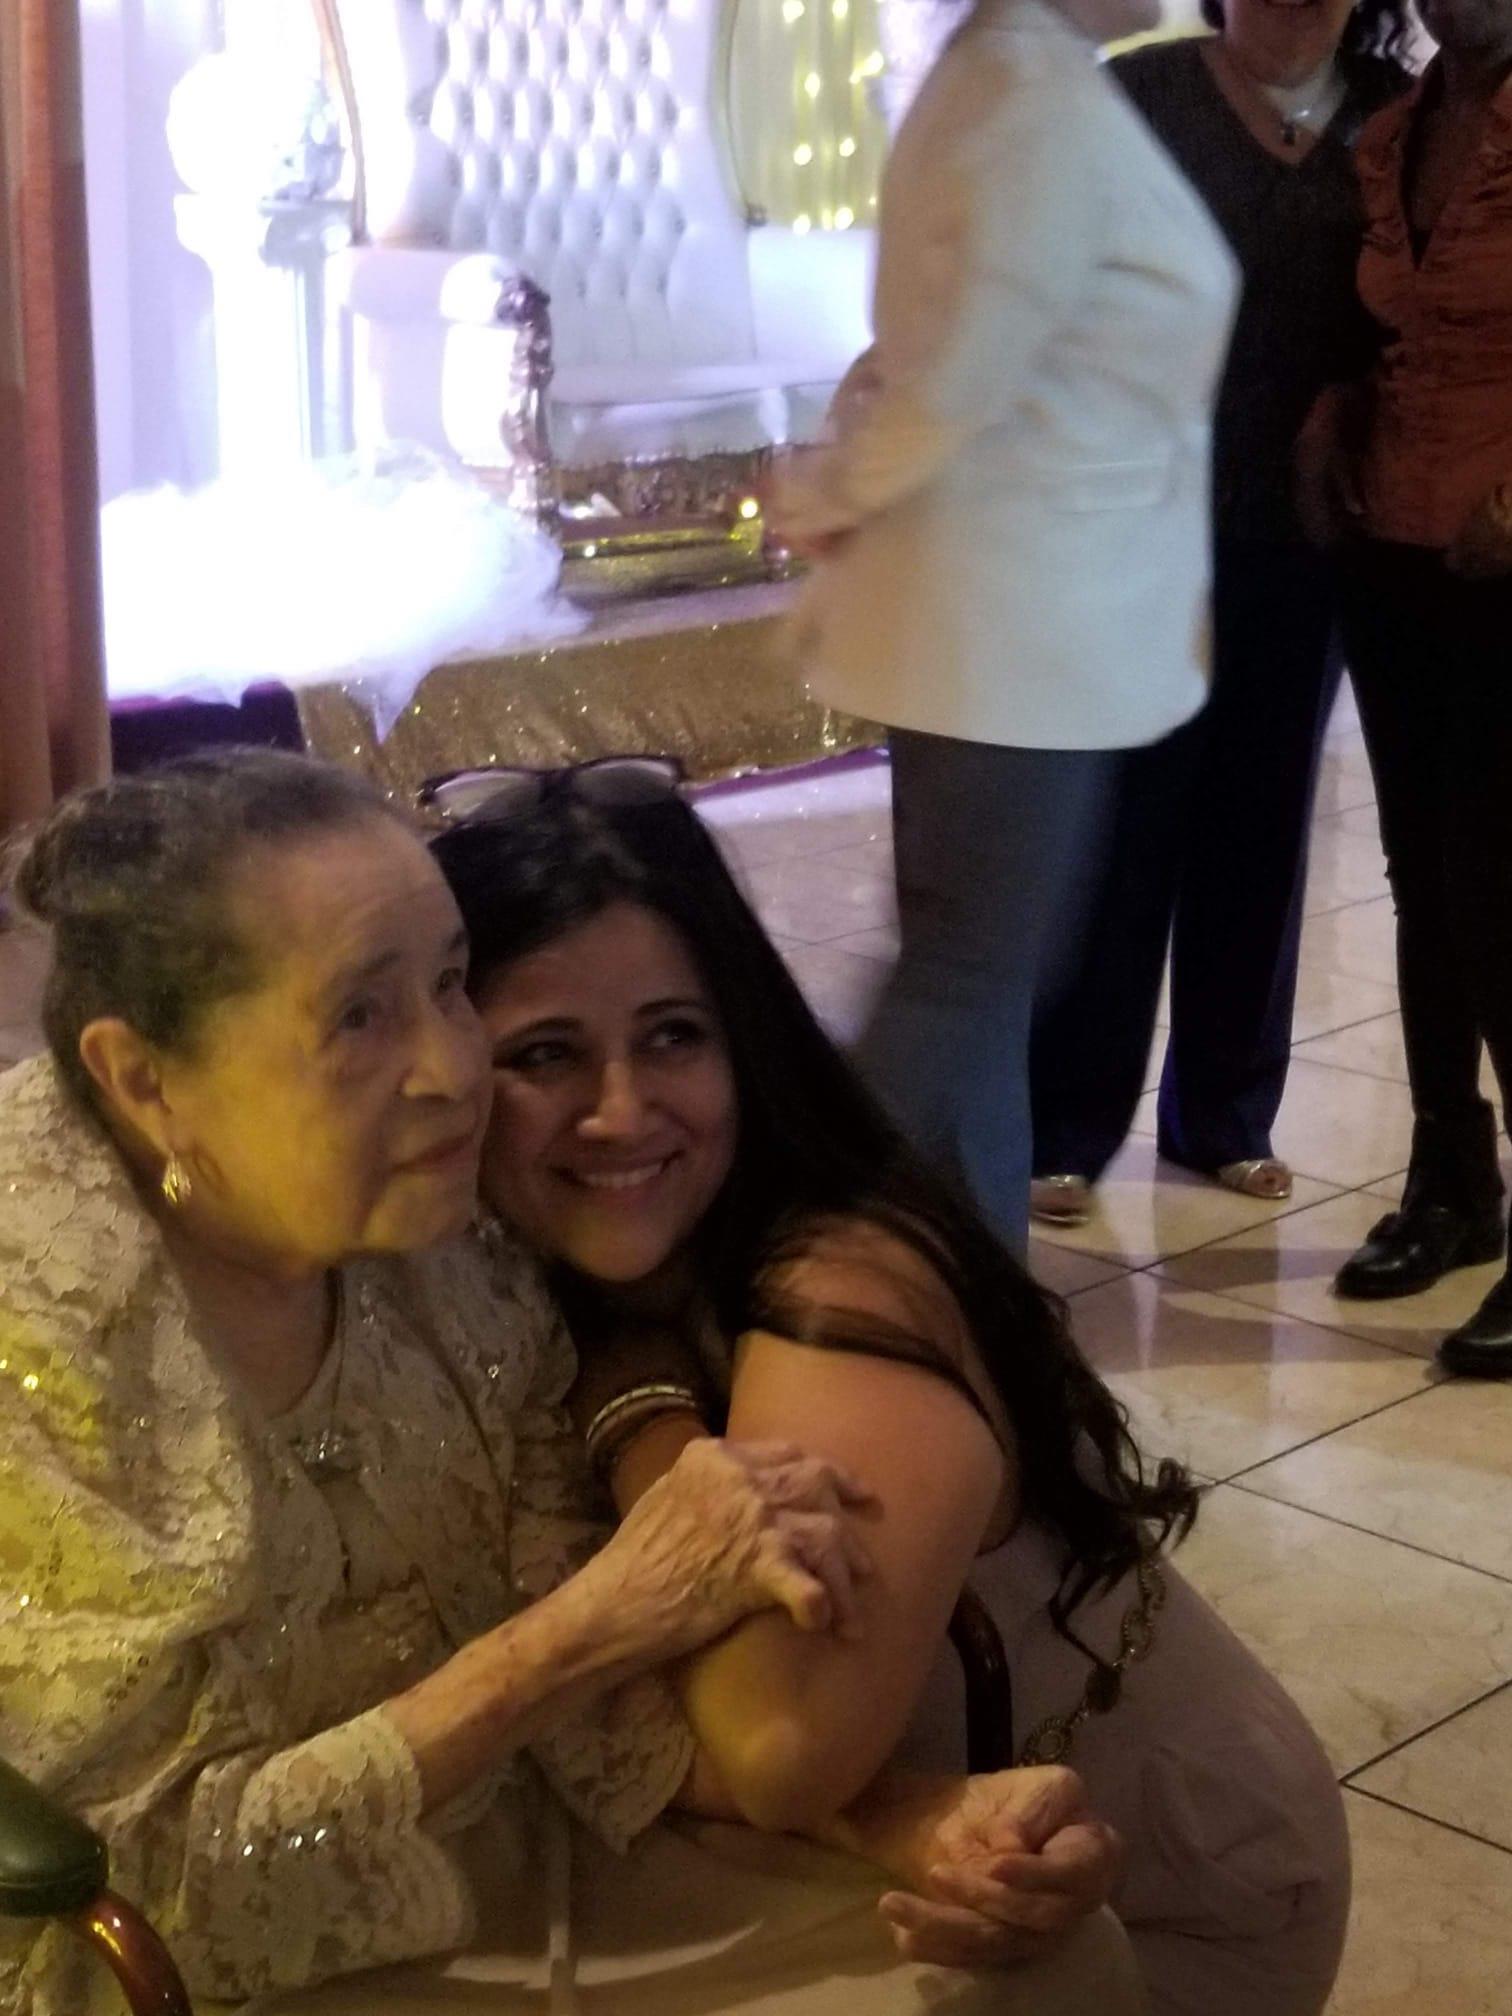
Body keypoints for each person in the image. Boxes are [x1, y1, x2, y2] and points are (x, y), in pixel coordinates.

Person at [0, 752, 1138, 2016]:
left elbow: (555, 1603)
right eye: (362, 1018)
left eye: (447, 984)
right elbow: (148, 1881)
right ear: (145, 1080)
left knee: (1050, 1972)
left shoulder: (440, 1231)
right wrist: (587, 1629)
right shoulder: (43, 1325)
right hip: (202, 1958)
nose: (454, 1068)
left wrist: (895, 1819)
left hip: (502, 1833)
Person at [431, 762, 1353, 2016]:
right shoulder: (512, 1266)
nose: (621, 1110)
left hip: (1172, 1881)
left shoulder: (843, 1295)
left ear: (745, 1040)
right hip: (942, 1824)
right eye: (546, 1053)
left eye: (673, 1036)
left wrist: (638, 1412)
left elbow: (774, 1752)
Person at [769, 0, 1237, 1257]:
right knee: (971, 980)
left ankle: (972, 1288)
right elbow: (956, 373)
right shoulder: (1027, 96)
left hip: (1016, 624)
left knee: (973, 978)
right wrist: (823, 491)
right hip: (1013, 630)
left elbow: (924, 350)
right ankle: (778, 1251)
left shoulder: (1009, 77)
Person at [1027, 0, 1413, 1228]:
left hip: (1308, 531)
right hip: (1143, 521)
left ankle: (1225, 1118)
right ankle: (1069, 1126)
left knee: (1263, 820)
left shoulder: (1396, 117)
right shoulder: (1139, 94)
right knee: (1128, 825)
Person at [1303, 0, 1512, 1378]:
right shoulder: (1388, 133)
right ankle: (1453, 1181)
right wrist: (1330, 417)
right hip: (1394, 549)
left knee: (1497, 883)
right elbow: (1375, 324)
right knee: (1421, 874)